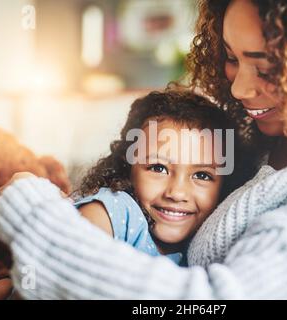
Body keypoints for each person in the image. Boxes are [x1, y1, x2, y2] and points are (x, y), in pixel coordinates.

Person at [0, 0, 287, 299]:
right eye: (230, 58)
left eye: (267, 68)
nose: (239, 88)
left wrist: (32, 213)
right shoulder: (265, 145)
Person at [73, 90, 239, 266]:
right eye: (158, 168)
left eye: (201, 175)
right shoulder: (116, 211)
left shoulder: (209, 242)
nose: (177, 193)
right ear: (128, 166)